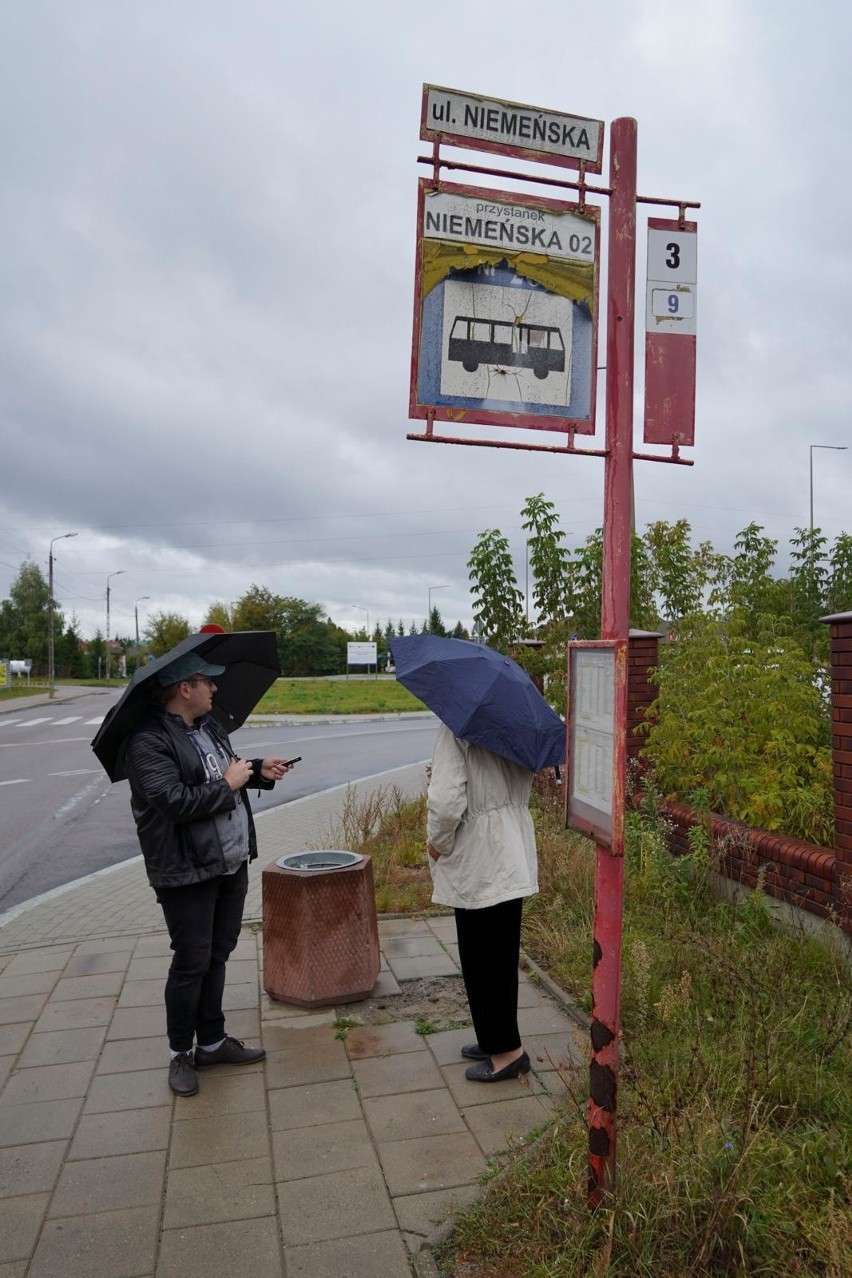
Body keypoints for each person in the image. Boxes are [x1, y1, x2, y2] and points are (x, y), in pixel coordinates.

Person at [125, 651, 292, 1097]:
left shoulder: (210, 727)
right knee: (191, 961)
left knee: (217, 955)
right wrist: (232, 783)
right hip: (186, 871)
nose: (215, 689)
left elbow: (223, 773)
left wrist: (258, 770)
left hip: (229, 861)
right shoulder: (147, 743)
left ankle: (213, 1043)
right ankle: (181, 1052)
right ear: (184, 688)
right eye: (208, 682)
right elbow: (175, 802)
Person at [426, 721, 537, 1082]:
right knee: (501, 955)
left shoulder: (456, 730)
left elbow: (445, 803)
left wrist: (437, 842)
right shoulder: (517, 727)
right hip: (512, 846)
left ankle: (507, 1053)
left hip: (479, 854)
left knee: (482, 958)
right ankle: (496, 1038)